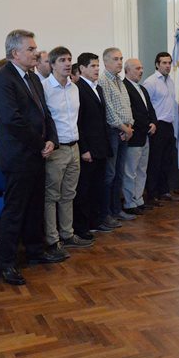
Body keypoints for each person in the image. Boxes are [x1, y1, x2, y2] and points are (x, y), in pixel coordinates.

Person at [0, 29, 61, 286]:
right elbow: (12, 120)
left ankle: (35, 251)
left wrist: (51, 138)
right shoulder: (2, 79)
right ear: (14, 52)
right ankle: (6, 262)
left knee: (35, 206)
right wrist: (40, 143)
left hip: (37, 153)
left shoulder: (32, 78)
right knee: (15, 210)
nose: (37, 52)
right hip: (19, 156)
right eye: (31, 49)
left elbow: (45, 113)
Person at [41, 47, 90, 250]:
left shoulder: (74, 87)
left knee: (69, 193)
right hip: (57, 148)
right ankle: (52, 239)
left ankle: (67, 234)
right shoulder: (44, 88)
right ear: (52, 64)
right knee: (52, 195)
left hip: (74, 146)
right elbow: (43, 120)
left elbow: (77, 120)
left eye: (69, 59)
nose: (68, 63)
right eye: (62, 60)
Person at [73, 53, 112, 238]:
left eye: (98, 65)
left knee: (98, 186)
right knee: (85, 189)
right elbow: (79, 123)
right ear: (82, 69)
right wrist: (84, 149)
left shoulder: (99, 89)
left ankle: (96, 221)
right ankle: (83, 226)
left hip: (101, 146)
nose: (97, 69)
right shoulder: (78, 89)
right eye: (93, 66)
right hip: (88, 148)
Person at [99, 47, 136, 223]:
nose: (120, 62)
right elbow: (109, 111)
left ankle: (116, 210)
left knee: (120, 174)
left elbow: (127, 107)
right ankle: (106, 213)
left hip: (124, 131)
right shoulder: (103, 81)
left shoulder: (120, 81)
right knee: (110, 174)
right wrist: (123, 128)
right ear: (105, 62)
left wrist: (129, 126)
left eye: (121, 58)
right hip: (113, 132)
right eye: (115, 59)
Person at [142, 52, 178, 203]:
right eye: (164, 63)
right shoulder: (151, 82)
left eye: (169, 63)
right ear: (157, 64)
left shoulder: (170, 81)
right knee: (154, 162)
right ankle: (152, 194)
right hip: (157, 126)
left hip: (169, 126)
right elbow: (146, 106)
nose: (168, 66)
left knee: (166, 161)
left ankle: (164, 191)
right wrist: (152, 124)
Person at [122, 58, 157, 215]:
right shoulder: (124, 88)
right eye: (137, 68)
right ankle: (129, 203)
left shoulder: (142, 89)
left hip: (146, 136)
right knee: (130, 171)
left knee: (142, 170)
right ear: (127, 70)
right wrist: (143, 126)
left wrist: (154, 123)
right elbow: (130, 113)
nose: (141, 71)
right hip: (134, 136)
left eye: (142, 68)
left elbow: (150, 109)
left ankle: (138, 199)